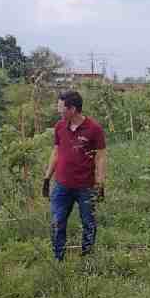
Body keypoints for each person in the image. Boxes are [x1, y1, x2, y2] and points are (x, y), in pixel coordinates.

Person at [43, 90, 106, 260]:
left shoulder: (94, 129)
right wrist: (47, 177)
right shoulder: (59, 127)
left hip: (85, 186)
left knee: (88, 223)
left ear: (72, 109)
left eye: (61, 108)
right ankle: (58, 258)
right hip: (62, 185)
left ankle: (87, 258)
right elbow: (55, 153)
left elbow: (100, 158)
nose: (58, 111)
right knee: (57, 222)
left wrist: (100, 184)